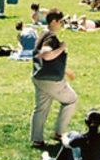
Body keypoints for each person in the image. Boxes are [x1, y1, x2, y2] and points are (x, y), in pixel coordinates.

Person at [31, 9, 78, 149]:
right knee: (71, 100)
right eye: (61, 21)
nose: (62, 24)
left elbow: (46, 60)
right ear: (53, 21)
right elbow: (46, 55)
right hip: (52, 81)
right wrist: (62, 48)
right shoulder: (51, 37)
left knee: (41, 109)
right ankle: (59, 132)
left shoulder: (42, 34)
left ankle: (36, 139)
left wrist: (66, 71)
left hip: (39, 77)